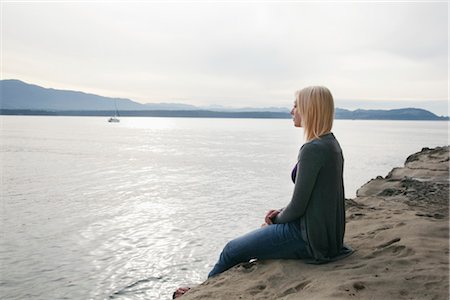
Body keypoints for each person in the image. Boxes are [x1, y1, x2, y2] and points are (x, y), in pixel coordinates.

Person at [173, 86, 353, 299]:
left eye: (296, 105)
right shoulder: (331, 143)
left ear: (309, 109)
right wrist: (279, 212)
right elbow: (311, 198)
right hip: (327, 237)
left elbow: (298, 207)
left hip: (308, 239)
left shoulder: (312, 149)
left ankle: (202, 292)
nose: (291, 110)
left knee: (232, 249)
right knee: (257, 236)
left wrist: (276, 219)